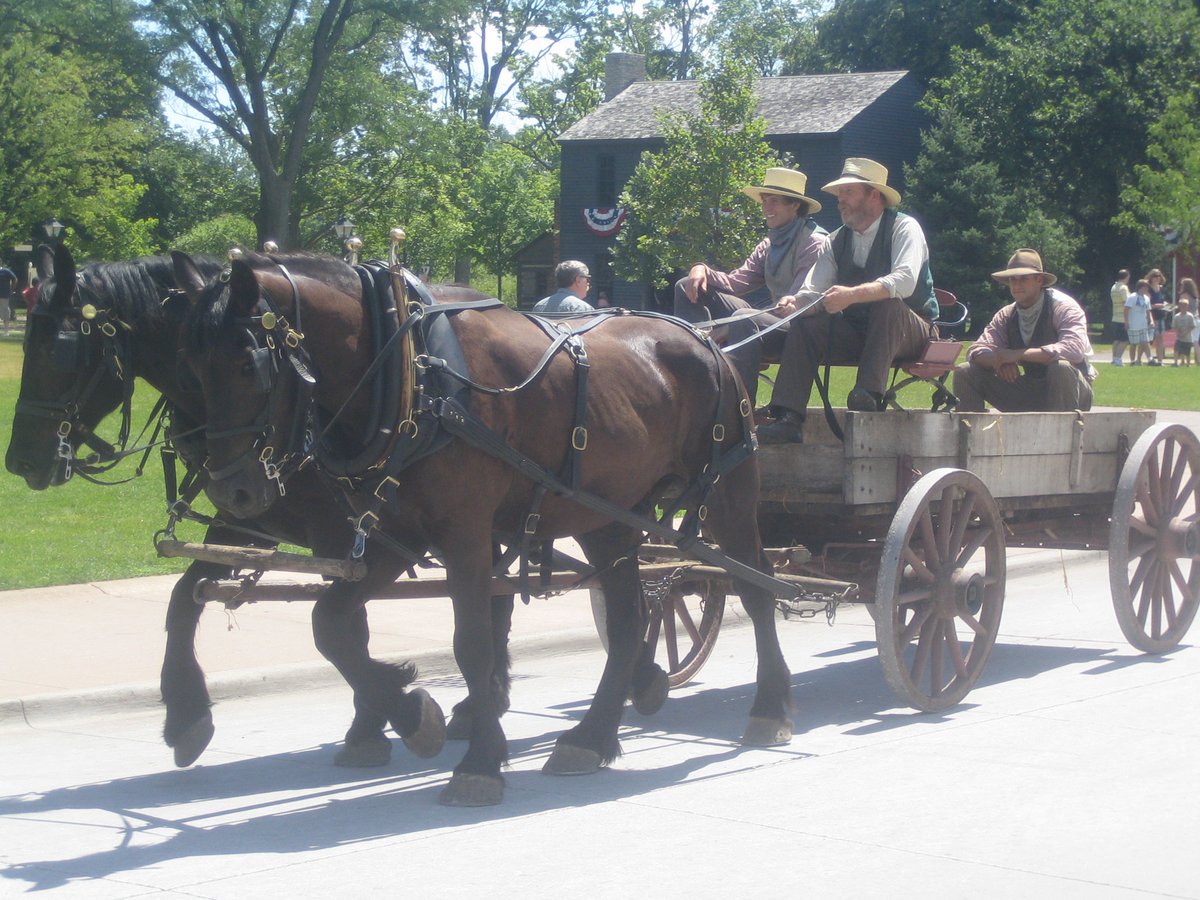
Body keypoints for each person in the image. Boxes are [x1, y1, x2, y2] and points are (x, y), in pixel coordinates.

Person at [756, 158, 938, 443]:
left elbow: (904, 281)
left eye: (848, 192)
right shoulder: (835, 240)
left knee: (888, 304)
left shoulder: (905, 228)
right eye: (840, 194)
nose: (840, 201)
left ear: (874, 196)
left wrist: (852, 295)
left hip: (912, 329)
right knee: (806, 325)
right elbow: (814, 291)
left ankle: (867, 395)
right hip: (859, 330)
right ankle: (787, 418)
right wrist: (796, 303)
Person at [673, 167, 826, 406]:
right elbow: (737, 282)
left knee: (744, 317)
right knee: (686, 285)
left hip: (800, 326)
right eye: (765, 201)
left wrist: (729, 328)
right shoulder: (769, 243)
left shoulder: (814, 243)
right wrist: (701, 269)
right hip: (769, 318)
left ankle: (739, 410)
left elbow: (796, 305)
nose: (766, 208)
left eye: (774, 201)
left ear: (795, 205)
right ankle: (695, 367)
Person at [952, 249, 1095, 412]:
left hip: (1073, 391)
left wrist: (1017, 355)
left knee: (1060, 368)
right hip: (1032, 389)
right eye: (1013, 279)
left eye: (1024, 279)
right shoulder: (1007, 314)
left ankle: (1061, 436)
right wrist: (999, 362)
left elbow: (1074, 350)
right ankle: (971, 434)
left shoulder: (1063, 307)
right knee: (965, 372)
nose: (1016, 285)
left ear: (1039, 279)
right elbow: (977, 350)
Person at [1126, 279, 1154, 365]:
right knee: (1134, 344)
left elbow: (1148, 311)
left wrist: (1151, 321)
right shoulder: (1132, 297)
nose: (1147, 289)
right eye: (1145, 287)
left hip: (1143, 324)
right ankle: (1132, 361)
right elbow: (1126, 309)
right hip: (1133, 324)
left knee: (1145, 342)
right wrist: (1126, 321)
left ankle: (1150, 359)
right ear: (1140, 287)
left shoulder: (1146, 298)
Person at [1146, 268, 1168, 366]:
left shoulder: (1161, 288)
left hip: (1161, 316)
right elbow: (1147, 304)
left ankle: (1160, 360)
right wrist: (1157, 306)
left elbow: (1163, 301)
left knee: (1160, 338)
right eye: (1155, 276)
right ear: (1151, 277)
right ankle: (1145, 359)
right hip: (1151, 316)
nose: (1157, 278)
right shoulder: (1148, 289)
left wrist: (1166, 305)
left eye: (1159, 275)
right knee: (1149, 339)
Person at [1109, 269, 1131, 365]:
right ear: (1126, 277)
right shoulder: (1123, 288)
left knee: (1117, 340)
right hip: (1123, 317)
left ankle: (1114, 359)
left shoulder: (1114, 287)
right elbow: (1126, 302)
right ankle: (1118, 358)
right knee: (1125, 340)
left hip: (1115, 316)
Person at [1173, 298, 1196, 366]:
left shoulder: (1190, 316)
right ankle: (1175, 362)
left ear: (1187, 307)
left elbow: (1192, 326)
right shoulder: (1177, 316)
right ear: (1179, 306)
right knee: (1177, 349)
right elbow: (1175, 326)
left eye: (1185, 306)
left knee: (1187, 352)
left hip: (1188, 338)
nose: (1183, 308)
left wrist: (1186, 332)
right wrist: (1178, 332)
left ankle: (1188, 363)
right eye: (1182, 306)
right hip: (1179, 337)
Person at [0, 265, 15, 337]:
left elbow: (15, 278)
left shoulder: (5, 271)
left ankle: (6, 331)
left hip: (4, 295)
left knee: (5, 311)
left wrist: (12, 289)